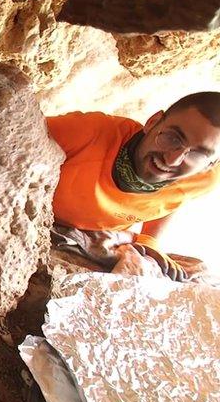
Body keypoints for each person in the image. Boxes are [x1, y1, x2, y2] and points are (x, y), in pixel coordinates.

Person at [47, 92, 220, 281]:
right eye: (172, 138)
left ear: (210, 164)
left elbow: (172, 199)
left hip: (104, 235)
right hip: (42, 221)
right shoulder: (85, 133)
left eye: (197, 154)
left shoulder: (203, 178)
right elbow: (17, 142)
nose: (172, 159)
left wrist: (150, 242)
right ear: (153, 122)